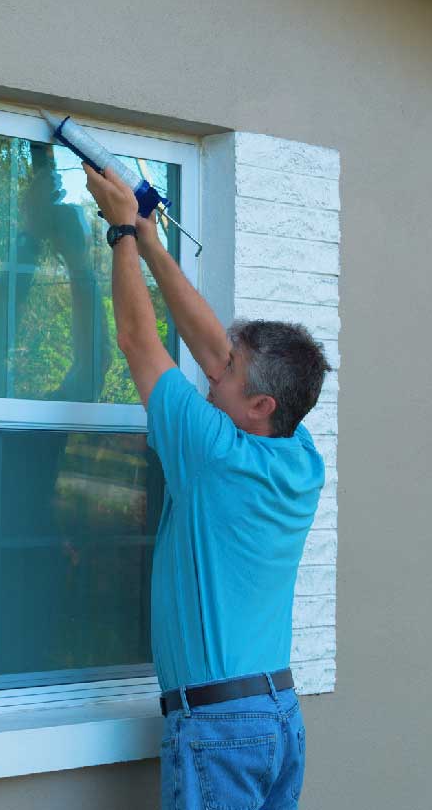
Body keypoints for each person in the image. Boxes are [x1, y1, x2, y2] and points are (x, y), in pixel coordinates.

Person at [82, 163, 330, 810]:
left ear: (261, 405)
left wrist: (119, 235)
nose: (212, 375)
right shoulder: (300, 454)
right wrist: (152, 240)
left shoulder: (212, 455)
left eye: (227, 375)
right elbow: (214, 344)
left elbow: (139, 341)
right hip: (277, 718)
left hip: (221, 729)